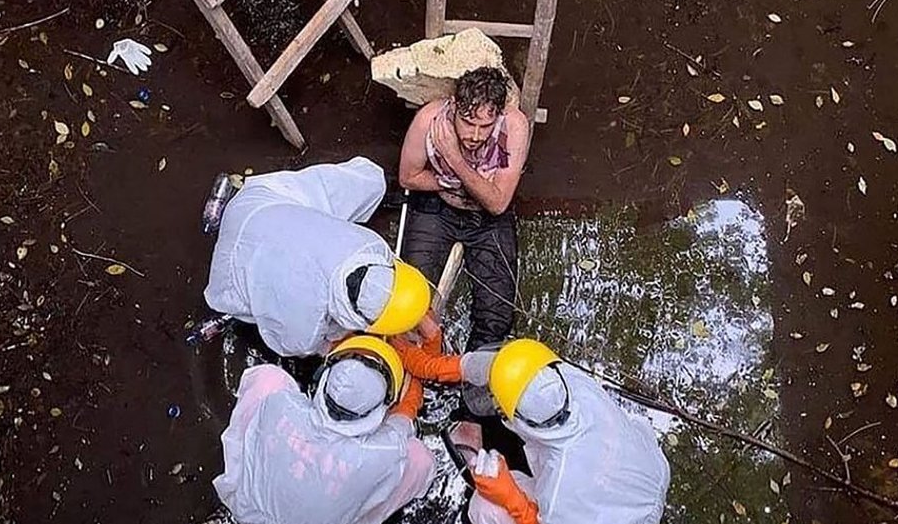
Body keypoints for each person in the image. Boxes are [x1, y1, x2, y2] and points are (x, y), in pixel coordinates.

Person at [391, 336, 670, 524]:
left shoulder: (563, 485)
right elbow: (508, 367)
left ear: (519, 420)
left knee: (483, 507)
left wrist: (509, 496)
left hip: (616, 515)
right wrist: (430, 365)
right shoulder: (568, 380)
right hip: (645, 473)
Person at [204, 157, 431, 357]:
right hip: (233, 258)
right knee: (251, 304)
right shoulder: (305, 327)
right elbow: (299, 345)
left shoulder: (371, 246)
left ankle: (226, 207)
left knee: (369, 181)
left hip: (261, 202)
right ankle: (222, 222)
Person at [214, 335, 435, 524]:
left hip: (248, 509)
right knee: (419, 458)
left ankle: (237, 472)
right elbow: (401, 422)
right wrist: (415, 385)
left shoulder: (280, 403)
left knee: (268, 378)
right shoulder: (381, 455)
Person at [398, 67, 530, 352]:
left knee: (496, 316)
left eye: (485, 126)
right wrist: (448, 184)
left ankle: (476, 375)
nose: (475, 135)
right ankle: (422, 361)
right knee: (411, 299)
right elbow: (408, 177)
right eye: (468, 123)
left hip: (487, 216)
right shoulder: (430, 120)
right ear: (455, 107)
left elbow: (497, 203)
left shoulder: (514, 126)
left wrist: (454, 158)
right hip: (438, 206)